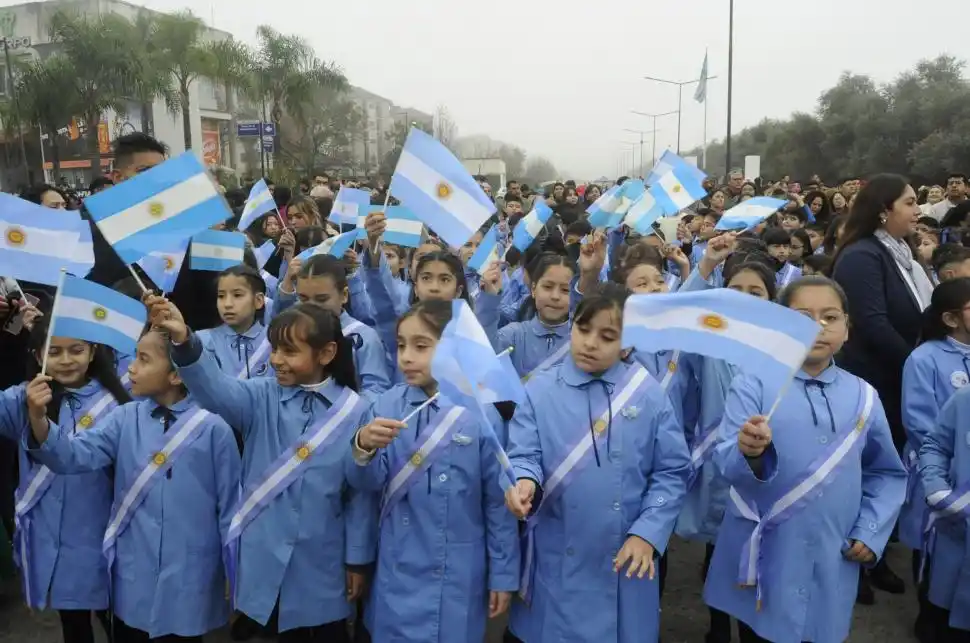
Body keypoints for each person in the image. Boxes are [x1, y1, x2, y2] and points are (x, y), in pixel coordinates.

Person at [147, 297, 376, 642]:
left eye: (289, 351)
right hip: (261, 556)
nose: (276, 360)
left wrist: (357, 559)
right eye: (274, 349)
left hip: (322, 561)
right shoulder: (260, 396)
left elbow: (360, 495)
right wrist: (183, 340)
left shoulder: (357, 410)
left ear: (327, 353)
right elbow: (214, 388)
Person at [703, 276, 907, 643]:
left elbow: (887, 473)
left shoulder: (864, 396)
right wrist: (749, 452)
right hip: (766, 557)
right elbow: (725, 464)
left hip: (832, 554)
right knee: (760, 633)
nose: (818, 326)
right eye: (802, 317)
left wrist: (871, 529)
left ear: (847, 327)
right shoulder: (753, 384)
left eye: (830, 316)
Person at [23, 328, 240, 642]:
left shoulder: (213, 429)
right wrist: (39, 418)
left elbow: (230, 507)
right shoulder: (124, 418)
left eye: (143, 360)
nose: (131, 368)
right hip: (133, 572)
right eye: (134, 357)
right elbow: (72, 456)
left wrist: (234, 571)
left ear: (176, 375)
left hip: (191, 570)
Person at [503, 283, 690, 643]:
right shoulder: (539, 389)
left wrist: (648, 533)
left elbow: (672, 471)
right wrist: (525, 481)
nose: (590, 343)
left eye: (607, 336)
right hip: (556, 555)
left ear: (628, 345)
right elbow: (524, 453)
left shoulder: (648, 395)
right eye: (583, 329)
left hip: (624, 556)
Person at [348, 300, 518, 641]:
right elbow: (366, 487)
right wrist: (363, 446)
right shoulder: (385, 405)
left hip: (458, 571)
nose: (407, 357)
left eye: (421, 346)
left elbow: (498, 503)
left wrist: (503, 575)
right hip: (397, 564)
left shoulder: (482, 413)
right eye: (401, 345)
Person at [0, 324, 130, 643]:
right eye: (54, 352)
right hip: (53, 540)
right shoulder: (24, 397)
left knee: (120, 623)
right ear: (38, 356)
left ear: (93, 352)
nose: (66, 360)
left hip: (104, 531)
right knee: (74, 626)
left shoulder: (118, 401)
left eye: (76, 350)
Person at [900, 278, 970, 643]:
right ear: (951, 318)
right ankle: (930, 616)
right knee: (934, 549)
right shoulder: (924, 358)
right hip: (940, 476)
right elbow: (920, 425)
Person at [277, 254, 391, 400]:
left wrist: (342, 410)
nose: (311, 307)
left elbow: (376, 391)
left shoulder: (363, 337)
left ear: (344, 295)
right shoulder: (292, 333)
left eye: (321, 299)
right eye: (303, 298)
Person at [196, 265, 272, 380]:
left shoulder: (274, 340)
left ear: (258, 300)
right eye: (221, 296)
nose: (227, 304)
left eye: (237, 295)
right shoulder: (202, 341)